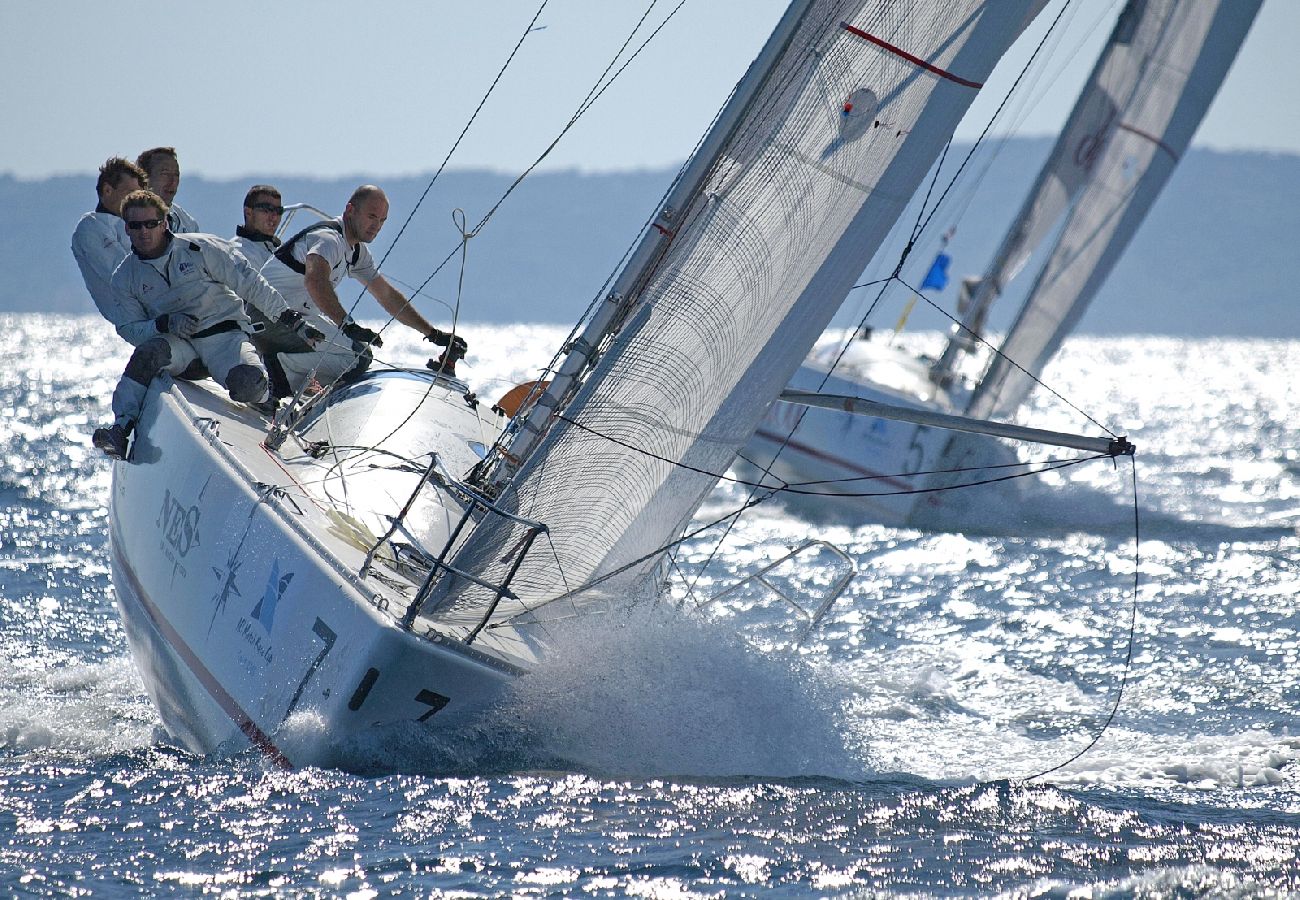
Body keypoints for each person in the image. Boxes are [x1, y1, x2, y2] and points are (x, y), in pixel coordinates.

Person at [91, 190, 322, 460]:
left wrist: (293, 322)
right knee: (147, 355)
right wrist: (163, 324)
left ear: (164, 222)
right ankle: (120, 429)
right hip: (180, 346)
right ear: (126, 229)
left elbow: (251, 284)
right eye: (135, 225)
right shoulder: (124, 277)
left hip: (224, 338)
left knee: (246, 384)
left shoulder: (201, 248)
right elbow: (129, 328)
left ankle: (268, 401)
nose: (144, 231)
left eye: (151, 223)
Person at [260, 184, 467, 390]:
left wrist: (433, 334)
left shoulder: (357, 252)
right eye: (371, 216)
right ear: (350, 210)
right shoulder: (328, 239)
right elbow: (315, 281)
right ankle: (272, 375)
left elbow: (386, 296)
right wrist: (347, 325)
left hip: (292, 317)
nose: (376, 226)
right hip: (265, 315)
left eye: (382, 221)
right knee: (357, 357)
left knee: (357, 355)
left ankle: (283, 377)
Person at [70, 157, 147, 323]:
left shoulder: (135, 226)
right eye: (130, 194)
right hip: (140, 320)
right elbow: (121, 274)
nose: (136, 202)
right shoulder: (91, 226)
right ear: (107, 190)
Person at [137, 147, 199, 233]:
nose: (172, 181)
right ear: (144, 177)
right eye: (165, 174)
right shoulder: (128, 220)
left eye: (176, 175)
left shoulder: (188, 224)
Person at [231, 184, 284, 271]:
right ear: (248, 212)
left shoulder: (281, 249)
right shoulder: (237, 252)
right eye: (267, 209)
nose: (274, 216)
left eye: (279, 211)